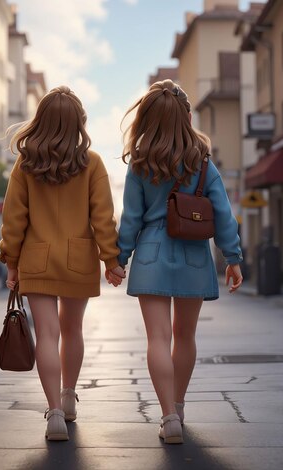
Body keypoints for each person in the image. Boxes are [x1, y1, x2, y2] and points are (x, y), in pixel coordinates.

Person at [114, 79, 243, 445]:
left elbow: (131, 219)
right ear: (186, 117)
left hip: (152, 252)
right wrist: (232, 258)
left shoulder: (140, 163)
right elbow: (223, 214)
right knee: (185, 336)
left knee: (157, 337)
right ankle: (180, 405)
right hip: (194, 255)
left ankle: (168, 415)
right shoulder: (202, 162)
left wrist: (118, 259)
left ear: (147, 119)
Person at [0, 86, 126, 441]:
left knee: (48, 336)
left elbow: (14, 220)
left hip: (36, 259)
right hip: (78, 258)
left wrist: (11, 263)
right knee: (72, 332)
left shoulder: (26, 165)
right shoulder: (92, 163)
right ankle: (69, 398)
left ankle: (53, 413)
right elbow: (103, 218)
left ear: (41, 122)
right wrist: (111, 260)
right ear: (78, 123)